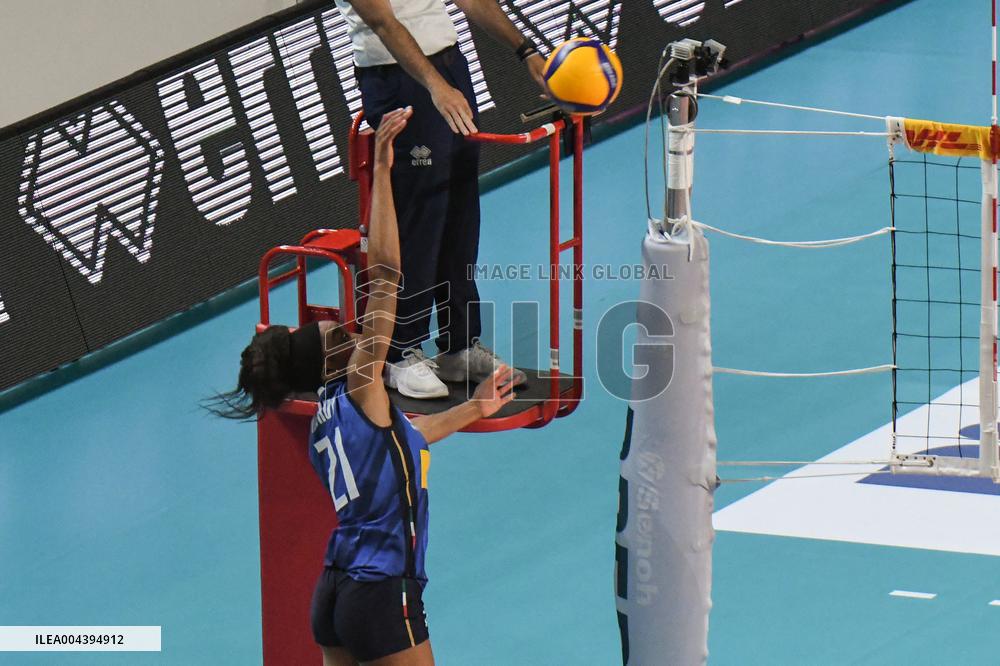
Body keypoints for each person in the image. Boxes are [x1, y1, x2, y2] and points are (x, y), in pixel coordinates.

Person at [212, 108, 516, 665]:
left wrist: (475, 408)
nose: (347, 328)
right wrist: (380, 168)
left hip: (335, 592)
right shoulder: (358, 381)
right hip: (381, 589)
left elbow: (405, 440)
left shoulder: (329, 419)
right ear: (330, 358)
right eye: (336, 333)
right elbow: (388, 278)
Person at [338, 0, 545, 398]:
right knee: (419, 221)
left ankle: (459, 347)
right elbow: (383, 21)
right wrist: (436, 87)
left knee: (460, 215)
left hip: (449, 67)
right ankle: (400, 353)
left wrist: (527, 51)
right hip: (397, 80)